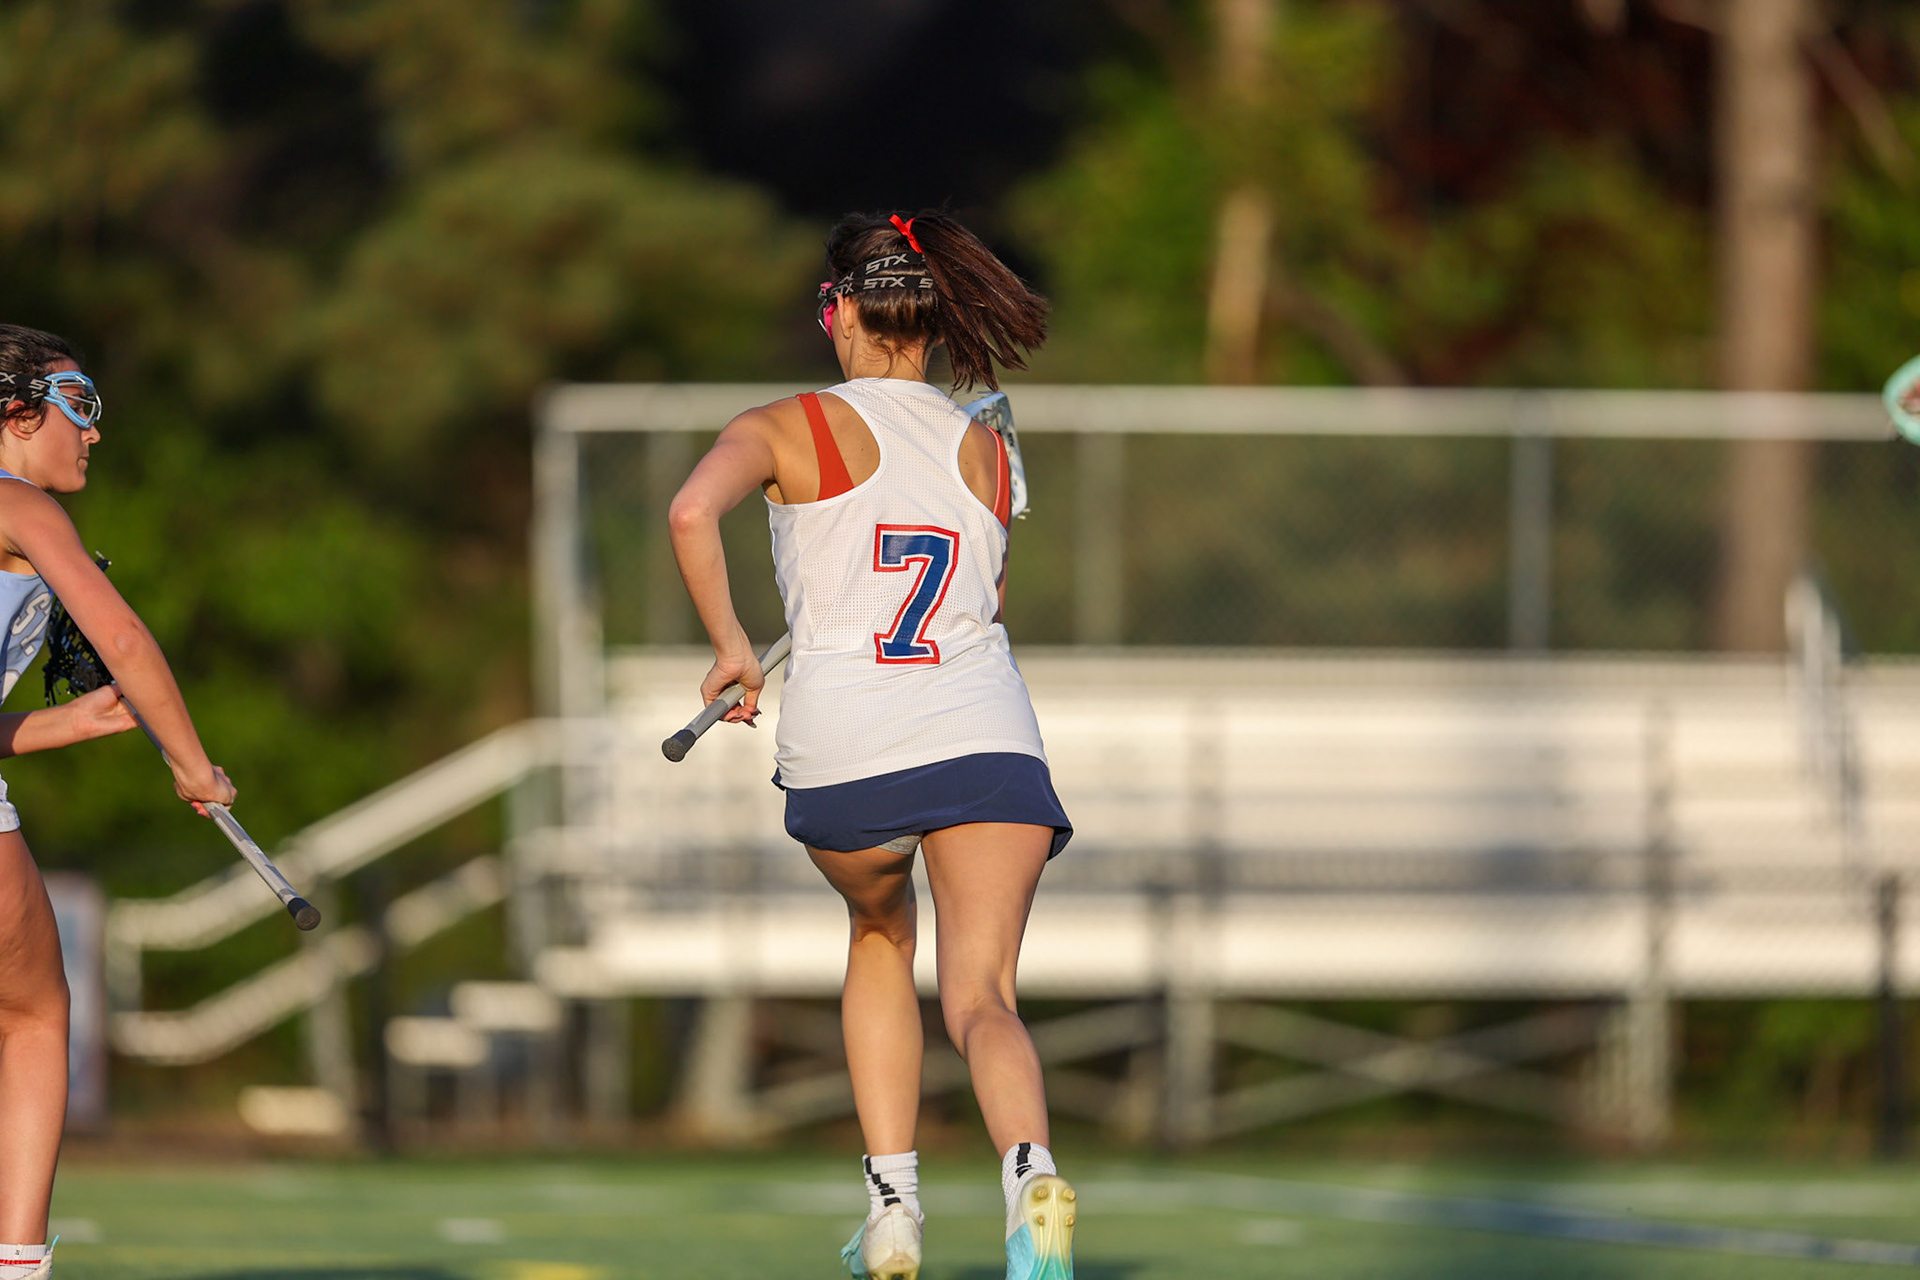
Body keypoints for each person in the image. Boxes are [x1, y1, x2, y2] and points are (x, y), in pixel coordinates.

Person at [668, 212, 1075, 1280]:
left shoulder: (783, 423)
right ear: (936, 322)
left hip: (849, 749)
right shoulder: (984, 446)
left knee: (881, 937)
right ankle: (1030, 1171)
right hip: (990, 737)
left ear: (835, 312)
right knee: (983, 992)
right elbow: (985, 601)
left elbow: (687, 513)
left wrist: (729, 651)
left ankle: (894, 1211)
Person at [0, 326, 236, 1280]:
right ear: (14, 414)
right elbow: (128, 640)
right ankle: (16, 1261)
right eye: (78, 406)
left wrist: (58, 727)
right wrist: (194, 764)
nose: (93, 434)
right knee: (33, 1016)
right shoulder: (17, 503)